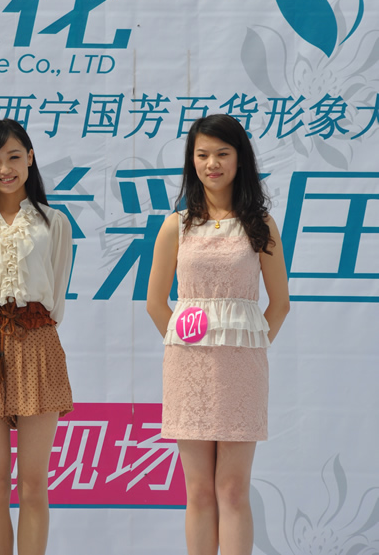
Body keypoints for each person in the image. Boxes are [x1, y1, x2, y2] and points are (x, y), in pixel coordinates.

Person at [147, 114, 290, 555]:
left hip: (241, 369)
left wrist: (248, 346)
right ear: (192, 161)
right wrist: (185, 346)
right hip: (187, 368)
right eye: (203, 154)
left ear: (239, 159)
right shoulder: (176, 225)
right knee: (198, 491)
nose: (212, 164)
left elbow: (279, 304)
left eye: (222, 154)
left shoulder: (260, 224)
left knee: (232, 488)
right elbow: (156, 303)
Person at [0, 118, 73, 555]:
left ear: (30, 158)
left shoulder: (54, 222)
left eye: (14, 157)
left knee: (34, 483)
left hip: (37, 340)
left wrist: (28, 327)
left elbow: (56, 290)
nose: (5, 169)